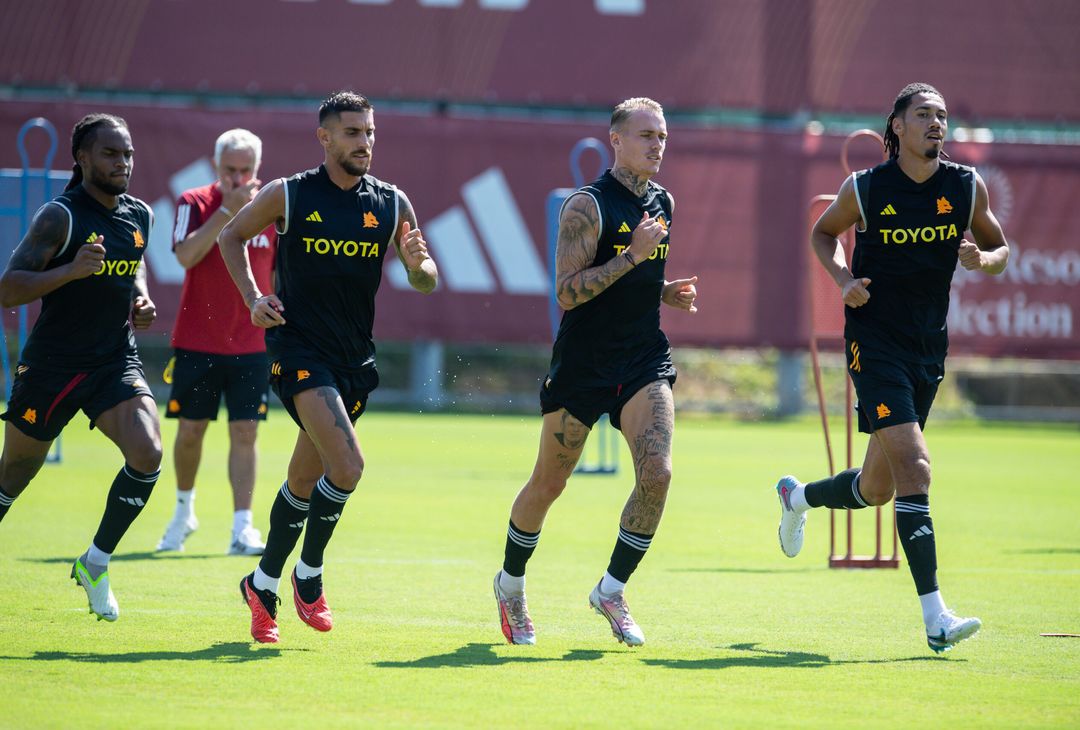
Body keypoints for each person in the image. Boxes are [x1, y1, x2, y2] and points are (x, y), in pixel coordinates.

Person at [774, 83, 1010, 653]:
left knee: (878, 488)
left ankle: (797, 498)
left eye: (943, 116)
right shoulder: (867, 187)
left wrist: (985, 260)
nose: (936, 124)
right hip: (874, 342)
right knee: (918, 469)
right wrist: (842, 281)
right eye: (924, 114)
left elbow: (1002, 250)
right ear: (897, 126)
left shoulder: (965, 186)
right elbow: (822, 234)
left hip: (928, 347)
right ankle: (936, 618)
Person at [219, 91, 438, 643]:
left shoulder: (391, 203)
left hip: (355, 363)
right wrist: (252, 297)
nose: (364, 142)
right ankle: (308, 576)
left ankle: (261, 582)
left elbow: (426, 276)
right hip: (297, 353)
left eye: (369, 132)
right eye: (351, 133)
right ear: (324, 138)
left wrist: (418, 267)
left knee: (301, 479)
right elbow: (231, 235)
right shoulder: (289, 194)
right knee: (348, 467)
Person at [492, 97, 699, 647]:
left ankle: (611, 590)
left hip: (643, 358)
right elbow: (567, 290)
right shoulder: (587, 206)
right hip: (584, 365)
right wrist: (633, 258)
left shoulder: (663, 202)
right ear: (616, 140)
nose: (657, 145)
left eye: (662, 135)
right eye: (645, 135)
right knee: (550, 482)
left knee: (658, 473)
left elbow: (630, 281)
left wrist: (660, 290)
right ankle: (510, 584)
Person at [0, 113, 162, 622]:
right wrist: (71, 270)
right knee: (14, 477)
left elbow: (130, 269)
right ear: (83, 158)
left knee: (148, 451)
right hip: (53, 366)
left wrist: (141, 300)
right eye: (111, 153)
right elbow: (8, 287)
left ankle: (96, 562)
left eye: (128, 153)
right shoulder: (60, 217)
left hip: (114, 359)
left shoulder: (139, 215)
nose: (122, 162)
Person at [156, 128, 276, 556]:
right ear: (215, 166)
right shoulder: (195, 202)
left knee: (245, 433)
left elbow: (280, 273)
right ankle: (183, 510)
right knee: (190, 431)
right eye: (230, 170)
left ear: (257, 169)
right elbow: (186, 255)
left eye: (246, 170)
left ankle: (242, 527)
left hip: (252, 342)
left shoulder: (274, 208)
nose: (239, 179)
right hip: (198, 339)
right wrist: (227, 210)